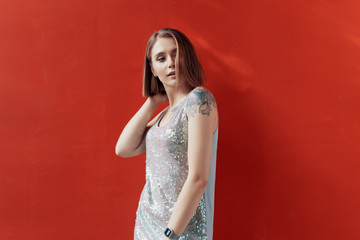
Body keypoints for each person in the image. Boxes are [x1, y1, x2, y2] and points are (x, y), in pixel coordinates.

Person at [115, 28, 219, 240]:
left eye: (176, 54)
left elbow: (198, 178)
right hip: (147, 223)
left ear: (186, 57)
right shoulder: (164, 114)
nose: (171, 62)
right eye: (161, 58)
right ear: (153, 69)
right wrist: (153, 101)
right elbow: (123, 149)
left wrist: (169, 235)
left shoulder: (198, 100)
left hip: (180, 230)